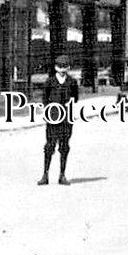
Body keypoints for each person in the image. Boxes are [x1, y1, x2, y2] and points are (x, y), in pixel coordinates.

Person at [38, 55, 79, 186]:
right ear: (55, 68)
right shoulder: (49, 82)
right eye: (59, 67)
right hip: (53, 118)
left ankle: (62, 175)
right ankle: (45, 174)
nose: (62, 69)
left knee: (64, 146)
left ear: (68, 68)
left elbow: (75, 97)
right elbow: (44, 99)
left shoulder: (72, 82)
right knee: (49, 146)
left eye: (64, 67)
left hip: (66, 118)